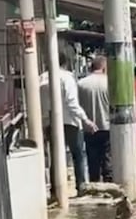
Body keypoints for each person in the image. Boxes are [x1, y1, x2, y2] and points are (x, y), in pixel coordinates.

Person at [39, 52, 96, 195]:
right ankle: (81, 187)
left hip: (49, 123)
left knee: (55, 157)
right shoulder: (67, 78)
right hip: (70, 122)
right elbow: (72, 103)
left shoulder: (42, 78)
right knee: (78, 155)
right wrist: (86, 120)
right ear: (65, 63)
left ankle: (55, 190)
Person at [77, 56, 113, 183]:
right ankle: (109, 187)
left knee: (92, 160)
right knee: (107, 159)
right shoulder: (109, 83)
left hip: (88, 127)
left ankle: (94, 185)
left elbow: (77, 106)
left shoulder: (81, 84)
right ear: (104, 67)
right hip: (107, 126)